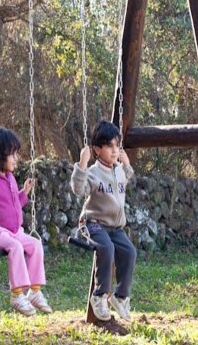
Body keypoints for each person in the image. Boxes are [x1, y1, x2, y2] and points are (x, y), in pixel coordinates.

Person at [0, 127, 52, 316]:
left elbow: (12, 206)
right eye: (12, 154)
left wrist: (24, 193)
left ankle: (35, 291)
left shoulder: (11, 178)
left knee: (35, 245)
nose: (16, 158)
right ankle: (17, 294)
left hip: (14, 231)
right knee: (15, 247)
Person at [71, 120, 136, 322]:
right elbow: (78, 189)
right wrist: (82, 163)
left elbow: (127, 177)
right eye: (109, 146)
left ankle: (120, 296)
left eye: (117, 145)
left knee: (129, 252)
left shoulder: (117, 170)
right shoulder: (92, 173)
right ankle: (99, 296)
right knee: (106, 249)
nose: (115, 150)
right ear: (97, 149)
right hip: (93, 224)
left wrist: (126, 164)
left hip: (115, 227)